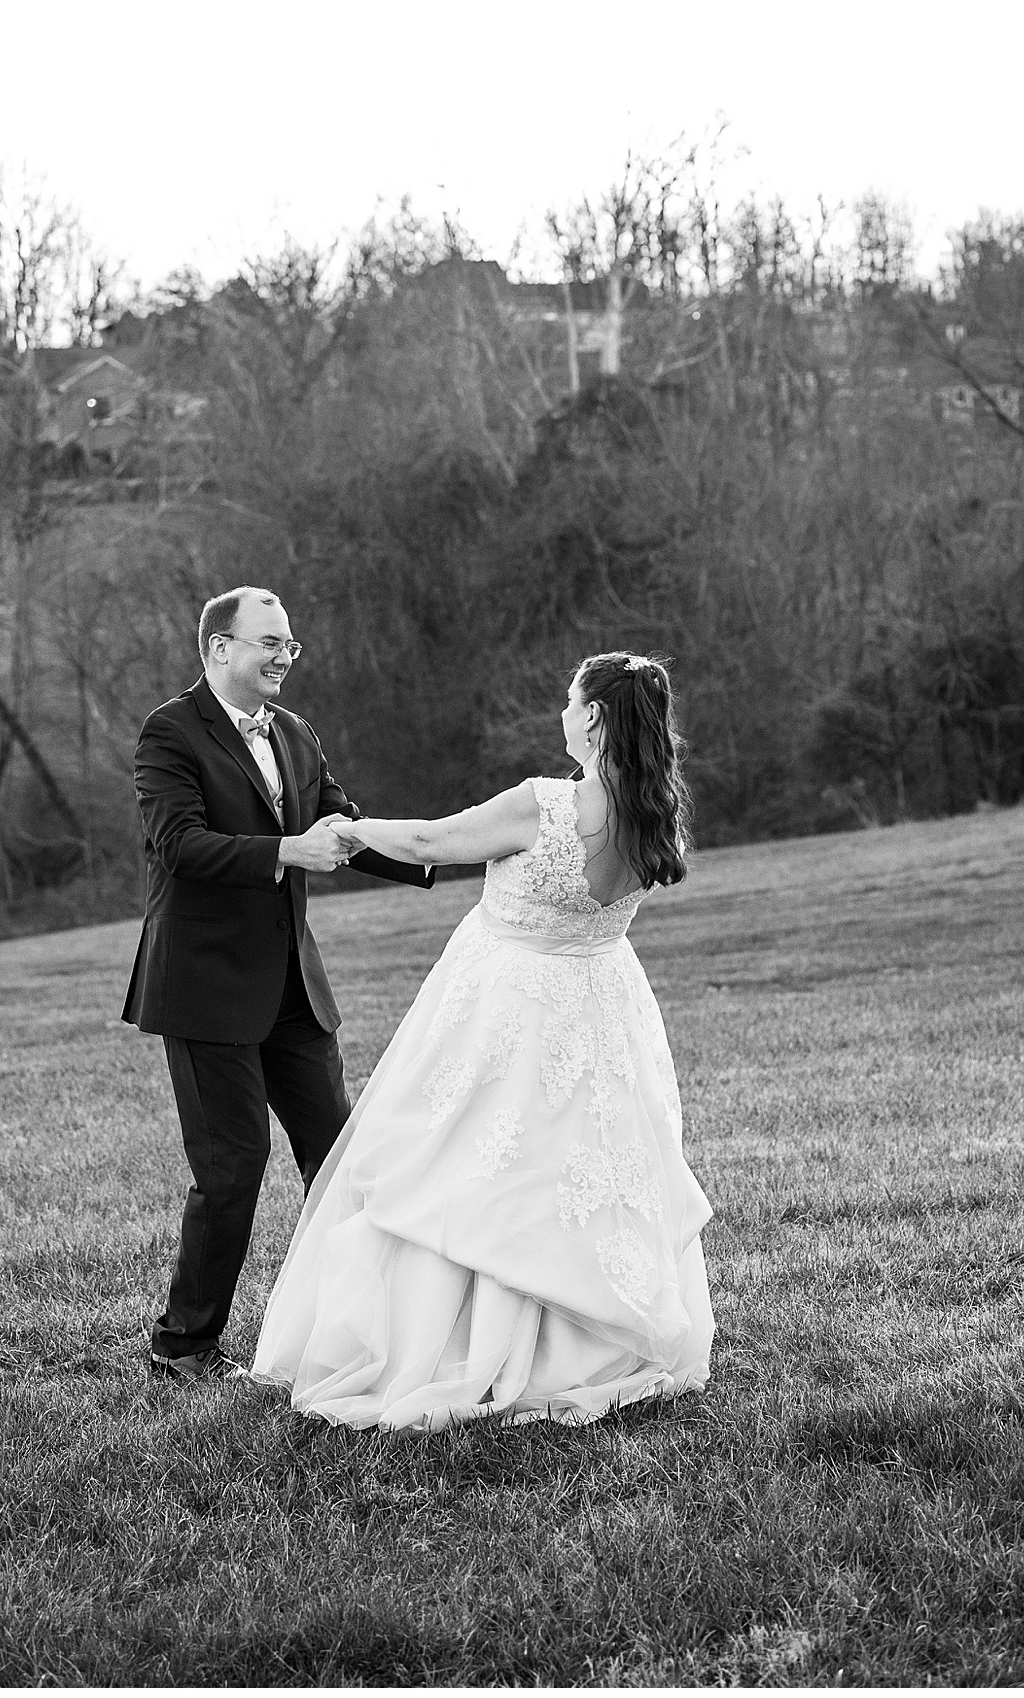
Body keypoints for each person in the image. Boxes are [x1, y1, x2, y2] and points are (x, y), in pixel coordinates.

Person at [252, 651, 714, 1429]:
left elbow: (434, 841)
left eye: (571, 698)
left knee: (468, 1160)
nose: (563, 709)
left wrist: (350, 830)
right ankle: (587, 1334)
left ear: (594, 717)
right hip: (598, 1003)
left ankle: (457, 1348)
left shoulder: (548, 804)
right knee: (576, 1165)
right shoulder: (652, 807)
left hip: (510, 1005)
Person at [121, 585, 435, 1383]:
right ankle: (182, 1345)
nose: (285, 658)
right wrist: (285, 852)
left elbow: (342, 826)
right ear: (220, 648)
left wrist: (444, 854)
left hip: (295, 989)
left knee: (340, 1160)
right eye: (270, 643)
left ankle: (364, 1329)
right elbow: (179, 846)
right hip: (204, 985)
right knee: (232, 1167)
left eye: (290, 645)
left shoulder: (296, 733)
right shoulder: (170, 732)